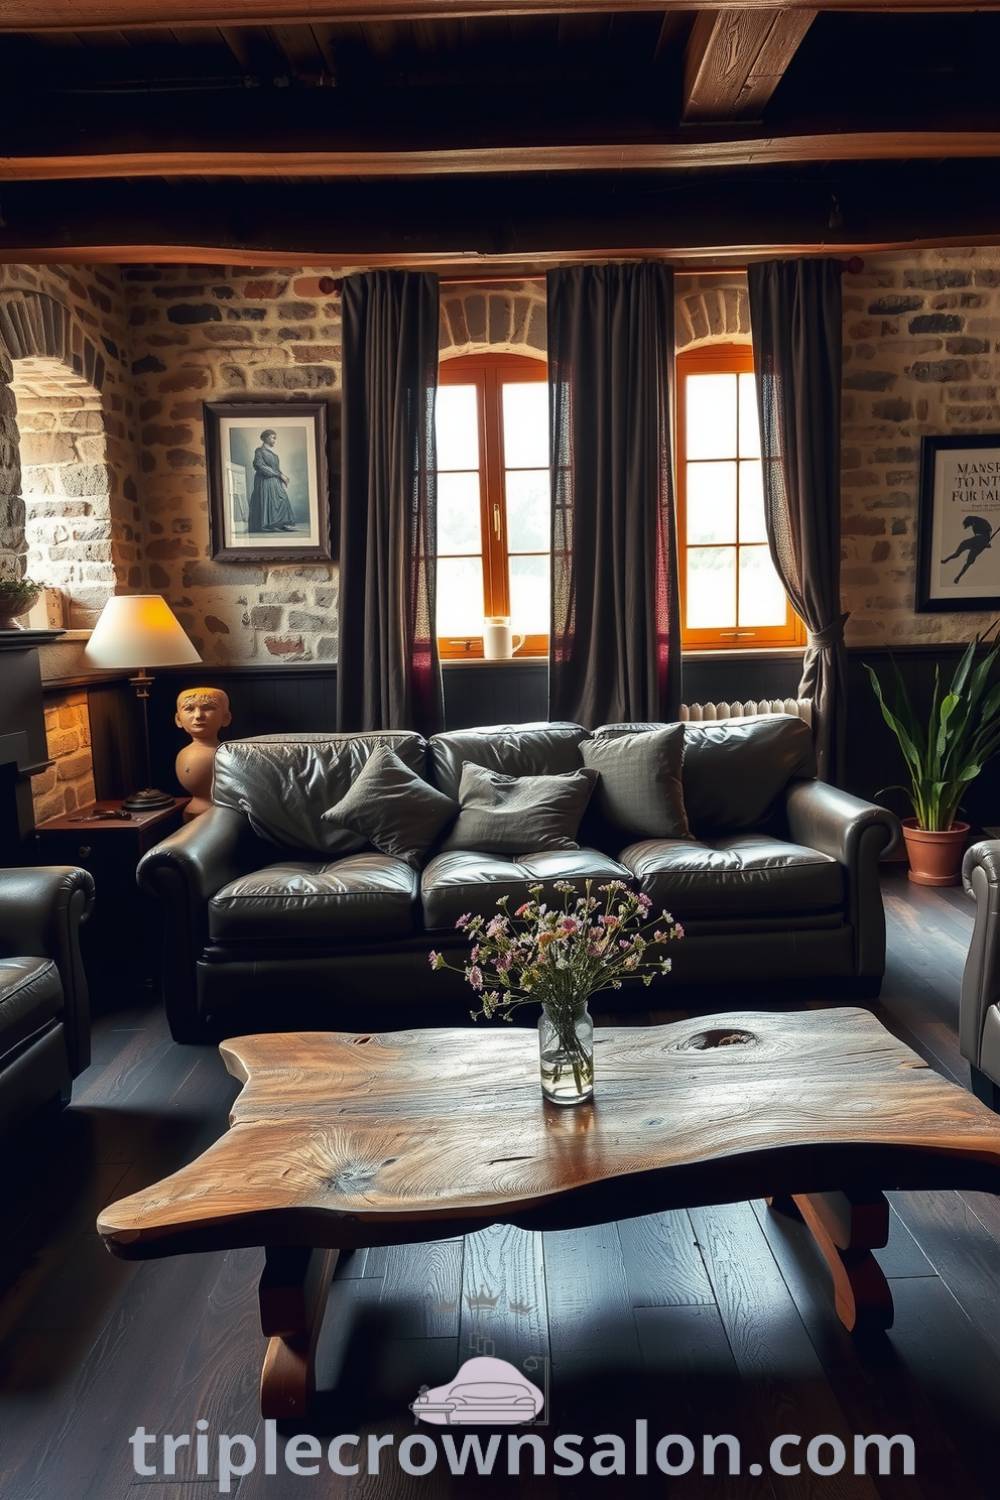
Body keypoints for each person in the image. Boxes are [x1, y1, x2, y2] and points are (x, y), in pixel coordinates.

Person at [174, 687, 232, 821]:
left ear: (226, 718)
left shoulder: (227, 755)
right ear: (178, 719)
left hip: (222, 814)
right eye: (189, 709)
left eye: (208, 708)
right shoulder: (184, 754)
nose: (198, 715)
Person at [247, 429, 296, 533]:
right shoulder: (259, 451)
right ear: (265, 438)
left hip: (275, 481)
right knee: (269, 501)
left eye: (275, 438)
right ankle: (269, 525)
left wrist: (283, 477)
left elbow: (277, 469)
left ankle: (280, 523)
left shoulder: (274, 455)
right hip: (264, 480)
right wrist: (279, 475)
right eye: (273, 438)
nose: (274, 440)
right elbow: (259, 465)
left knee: (282, 499)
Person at [941, 513, 1000, 584]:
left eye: (967, 525)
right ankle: (946, 560)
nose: (967, 526)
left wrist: (987, 542)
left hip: (981, 542)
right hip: (977, 540)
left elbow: (989, 530)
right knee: (959, 552)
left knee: (968, 562)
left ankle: (958, 577)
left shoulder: (981, 521)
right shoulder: (974, 524)